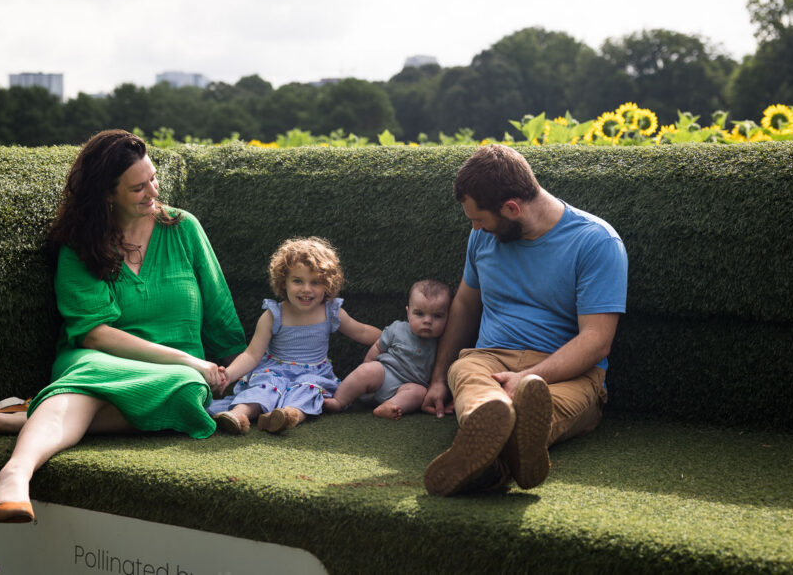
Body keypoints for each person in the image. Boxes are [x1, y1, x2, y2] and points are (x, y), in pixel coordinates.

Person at [0, 129, 245, 523]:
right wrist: (190, 361)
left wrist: (236, 369)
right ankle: (14, 476)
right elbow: (95, 333)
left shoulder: (184, 228)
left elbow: (219, 312)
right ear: (107, 194)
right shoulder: (80, 245)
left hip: (173, 376)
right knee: (104, 380)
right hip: (97, 357)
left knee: (188, 391)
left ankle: (17, 419)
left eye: (153, 179)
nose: (152, 191)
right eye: (137, 188)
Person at [421, 144, 627, 496]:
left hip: (566, 372)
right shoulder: (481, 237)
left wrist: (530, 377)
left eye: (479, 219)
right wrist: (438, 377)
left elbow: (597, 339)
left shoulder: (596, 242)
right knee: (465, 370)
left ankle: (489, 460)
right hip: (490, 360)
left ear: (512, 208)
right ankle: (493, 422)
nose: (475, 228)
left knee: (539, 402)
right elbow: (466, 306)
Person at [209, 237, 381, 434]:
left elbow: (362, 331)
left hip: (313, 373)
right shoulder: (273, 315)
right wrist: (229, 375)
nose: (306, 289)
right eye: (298, 281)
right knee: (264, 388)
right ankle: (239, 415)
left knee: (308, 392)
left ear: (327, 285)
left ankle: (287, 416)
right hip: (275, 370)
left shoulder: (330, 311)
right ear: (284, 282)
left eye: (315, 282)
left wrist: (392, 339)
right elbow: (252, 354)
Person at [323, 279, 451, 420]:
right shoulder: (397, 329)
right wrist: (368, 364)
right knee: (369, 370)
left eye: (437, 316)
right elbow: (378, 347)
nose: (427, 321)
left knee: (419, 392)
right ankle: (338, 401)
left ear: (448, 317)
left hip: (407, 388)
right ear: (408, 313)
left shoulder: (444, 343)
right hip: (384, 375)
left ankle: (389, 406)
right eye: (419, 314)